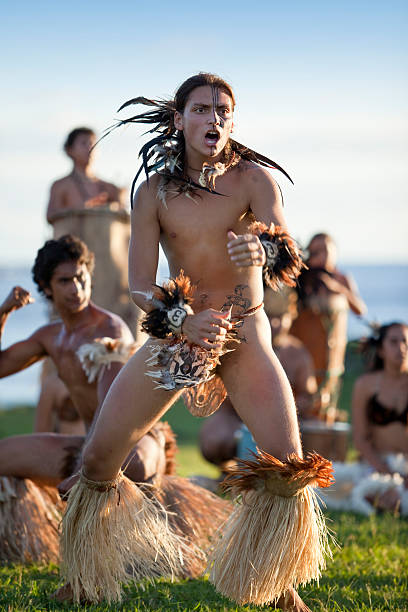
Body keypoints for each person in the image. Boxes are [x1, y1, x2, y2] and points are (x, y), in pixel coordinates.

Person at [59, 73, 333, 610]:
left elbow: (284, 246)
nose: (216, 119)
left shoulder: (254, 180)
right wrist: (182, 322)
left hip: (245, 335)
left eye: (224, 111)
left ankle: (281, 591)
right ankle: (86, 576)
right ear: (179, 119)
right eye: (204, 109)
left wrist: (264, 254)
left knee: (289, 465)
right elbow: (139, 285)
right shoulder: (154, 193)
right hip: (181, 336)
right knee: (97, 459)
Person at [0, 236, 167, 490]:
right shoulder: (50, 337)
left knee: (135, 464)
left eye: (80, 277)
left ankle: (91, 475)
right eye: (65, 281)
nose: (76, 288)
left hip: (132, 442)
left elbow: (110, 402)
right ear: (46, 287)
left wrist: (85, 470)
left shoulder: (109, 328)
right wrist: (4, 311)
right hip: (87, 444)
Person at [199, 287, 318, 470]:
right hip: (236, 416)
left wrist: (280, 409)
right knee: (215, 438)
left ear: (290, 317)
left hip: (286, 420)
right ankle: (230, 472)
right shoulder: (239, 346)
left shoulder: (297, 353)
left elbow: (308, 395)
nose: (276, 324)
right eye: (271, 316)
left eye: (281, 317)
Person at [318, 322, 408, 515]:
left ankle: (388, 499)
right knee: (322, 488)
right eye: (394, 341)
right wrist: (387, 471)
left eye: (405, 342)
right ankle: (380, 497)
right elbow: (360, 439)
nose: (401, 347)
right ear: (381, 349)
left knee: (397, 497)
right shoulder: (365, 385)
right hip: (375, 464)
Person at [291, 232, 367, 421]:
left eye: (325, 250)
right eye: (315, 251)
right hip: (305, 353)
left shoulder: (342, 279)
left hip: (332, 358)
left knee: (327, 404)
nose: (321, 256)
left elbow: (360, 310)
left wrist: (338, 289)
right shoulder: (301, 278)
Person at [46, 127, 125, 224]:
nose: (89, 148)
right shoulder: (60, 186)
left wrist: (118, 204)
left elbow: (124, 220)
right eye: (83, 143)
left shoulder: (110, 188)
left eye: (92, 143)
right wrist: (79, 210)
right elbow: (50, 216)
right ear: (69, 150)